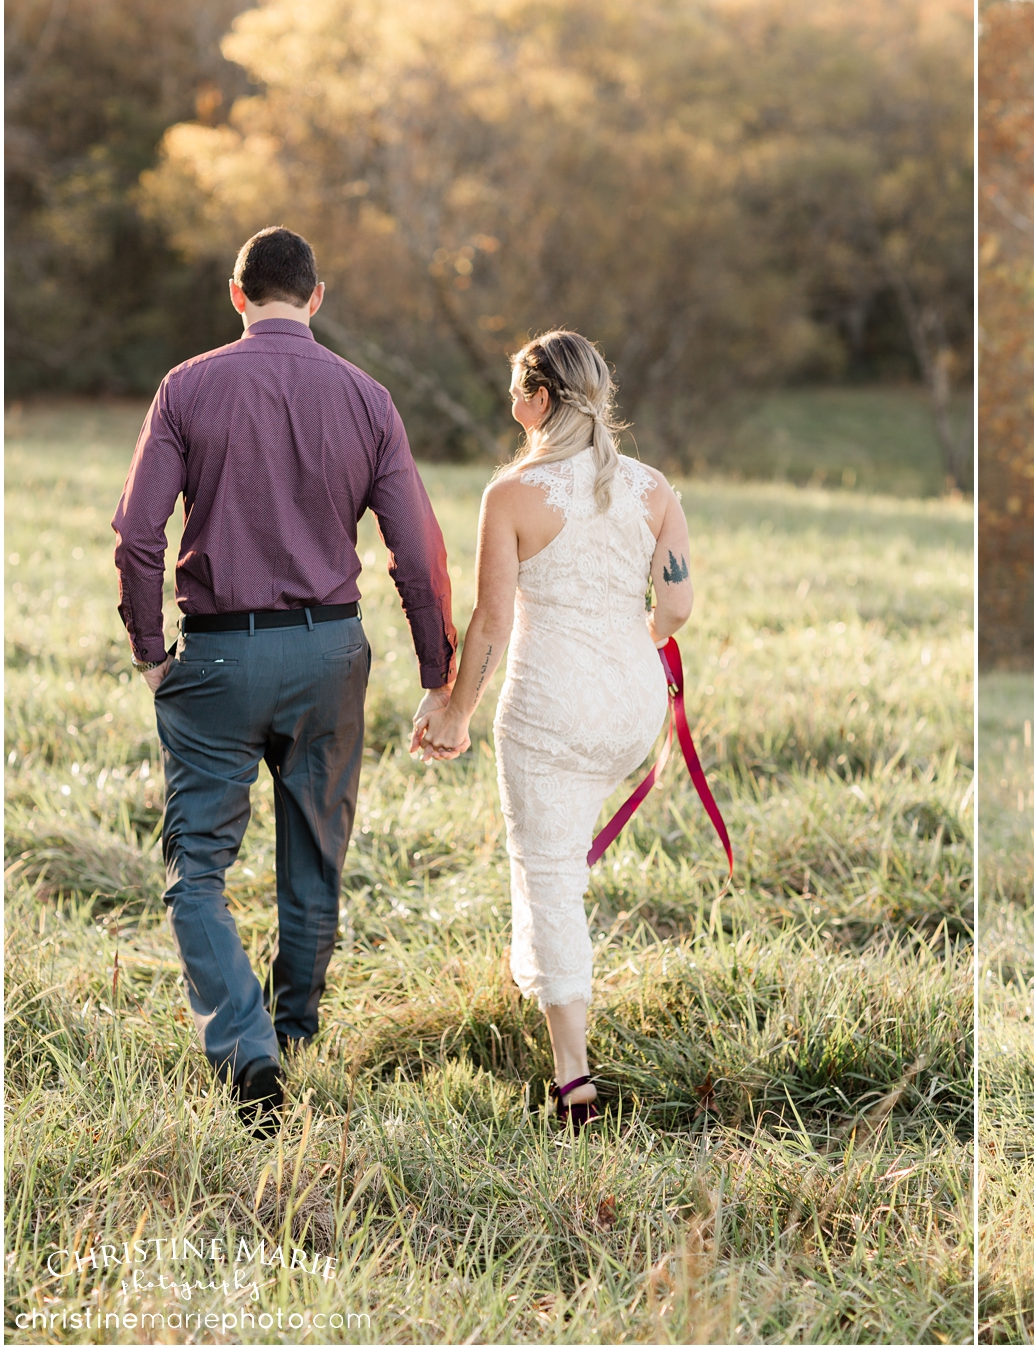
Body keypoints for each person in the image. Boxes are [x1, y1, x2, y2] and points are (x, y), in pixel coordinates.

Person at [111, 226, 458, 1137]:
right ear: (316, 297)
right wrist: (437, 670)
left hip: (218, 655)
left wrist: (151, 649)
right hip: (329, 654)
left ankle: (247, 1048)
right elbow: (417, 550)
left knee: (197, 871)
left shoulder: (187, 387)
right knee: (315, 860)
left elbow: (137, 535)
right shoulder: (368, 398)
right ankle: (292, 1036)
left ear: (236, 294)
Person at [411, 329, 694, 1131]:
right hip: (634, 706)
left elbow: (492, 620)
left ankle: (573, 1078)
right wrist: (637, 649)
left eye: (514, 391)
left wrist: (456, 712)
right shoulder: (653, 488)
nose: (510, 405)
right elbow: (674, 608)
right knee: (562, 861)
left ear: (537, 400)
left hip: (550, 711)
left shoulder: (513, 494)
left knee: (548, 874)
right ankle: (547, 975)